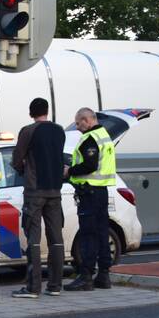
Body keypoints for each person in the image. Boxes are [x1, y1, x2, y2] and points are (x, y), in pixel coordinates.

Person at [10, 98, 66, 298]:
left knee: (33, 238)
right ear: (47, 111)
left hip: (34, 191)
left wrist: (23, 170)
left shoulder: (28, 131)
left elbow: (17, 158)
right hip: (55, 190)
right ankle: (55, 285)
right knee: (56, 239)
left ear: (31, 112)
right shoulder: (59, 131)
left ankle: (33, 287)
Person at [64, 107, 117, 291]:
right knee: (102, 233)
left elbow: (90, 165)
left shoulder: (90, 138)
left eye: (78, 123)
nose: (78, 127)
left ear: (87, 120)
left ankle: (86, 276)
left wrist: (69, 171)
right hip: (101, 192)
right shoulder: (105, 136)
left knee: (88, 235)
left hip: (89, 193)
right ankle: (104, 275)